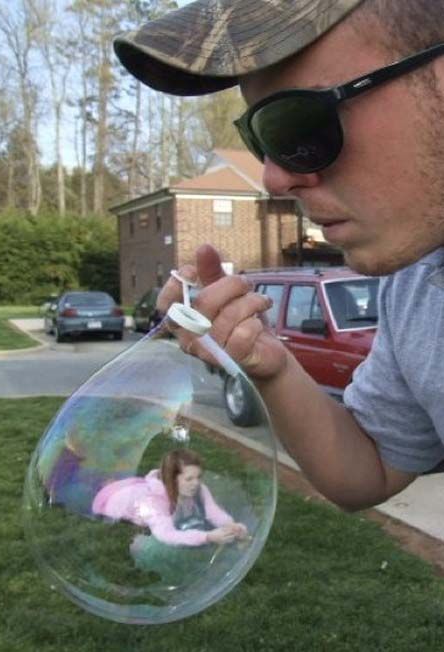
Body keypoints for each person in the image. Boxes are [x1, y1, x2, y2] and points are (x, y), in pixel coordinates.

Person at [113, 0, 444, 512]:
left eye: (299, 126)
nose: (274, 177)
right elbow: (373, 467)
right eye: (260, 137)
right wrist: (270, 366)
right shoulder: (419, 283)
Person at [92, 449, 248, 546]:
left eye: (199, 477)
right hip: (115, 502)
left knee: (125, 486)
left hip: (136, 489)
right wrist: (207, 537)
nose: (196, 483)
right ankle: (106, 486)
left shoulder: (197, 488)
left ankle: (111, 483)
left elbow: (212, 511)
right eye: (189, 479)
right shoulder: (152, 503)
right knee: (107, 491)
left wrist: (232, 525)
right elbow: (167, 535)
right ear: (171, 479)